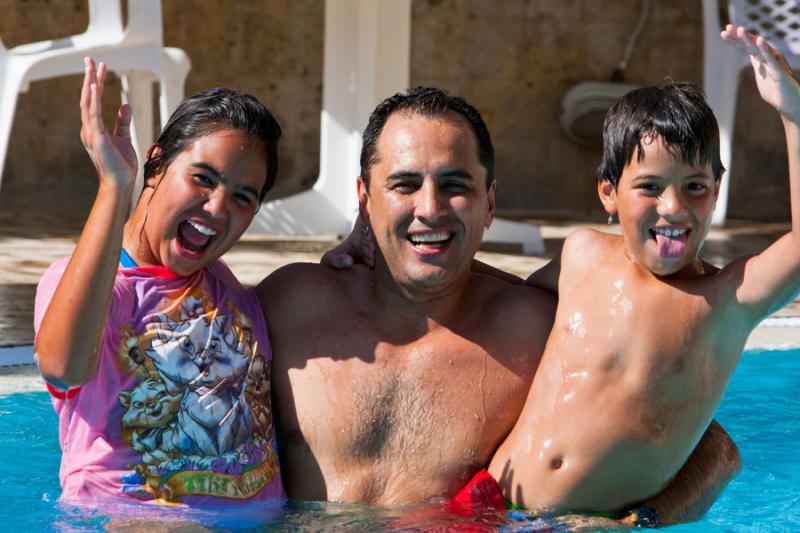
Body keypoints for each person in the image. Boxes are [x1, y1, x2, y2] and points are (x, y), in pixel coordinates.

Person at [259, 84, 739, 523]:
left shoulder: (532, 330)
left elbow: (714, 452)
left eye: (455, 185)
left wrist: (637, 520)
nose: (430, 207)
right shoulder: (291, 308)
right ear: (364, 199)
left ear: (490, 203)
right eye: (404, 185)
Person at [481, 25, 800, 523]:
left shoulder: (725, 302)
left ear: (717, 190)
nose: (673, 207)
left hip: (583, 522)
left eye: (695, 186)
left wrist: (792, 113)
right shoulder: (580, 255)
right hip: (488, 503)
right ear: (608, 192)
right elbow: (495, 304)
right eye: (649, 186)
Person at [33, 58, 284, 505]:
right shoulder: (96, 290)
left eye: (242, 198)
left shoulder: (228, 291)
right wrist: (114, 185)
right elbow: (62, 367)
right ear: (156, 165)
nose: (217, 208)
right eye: (202, 179)